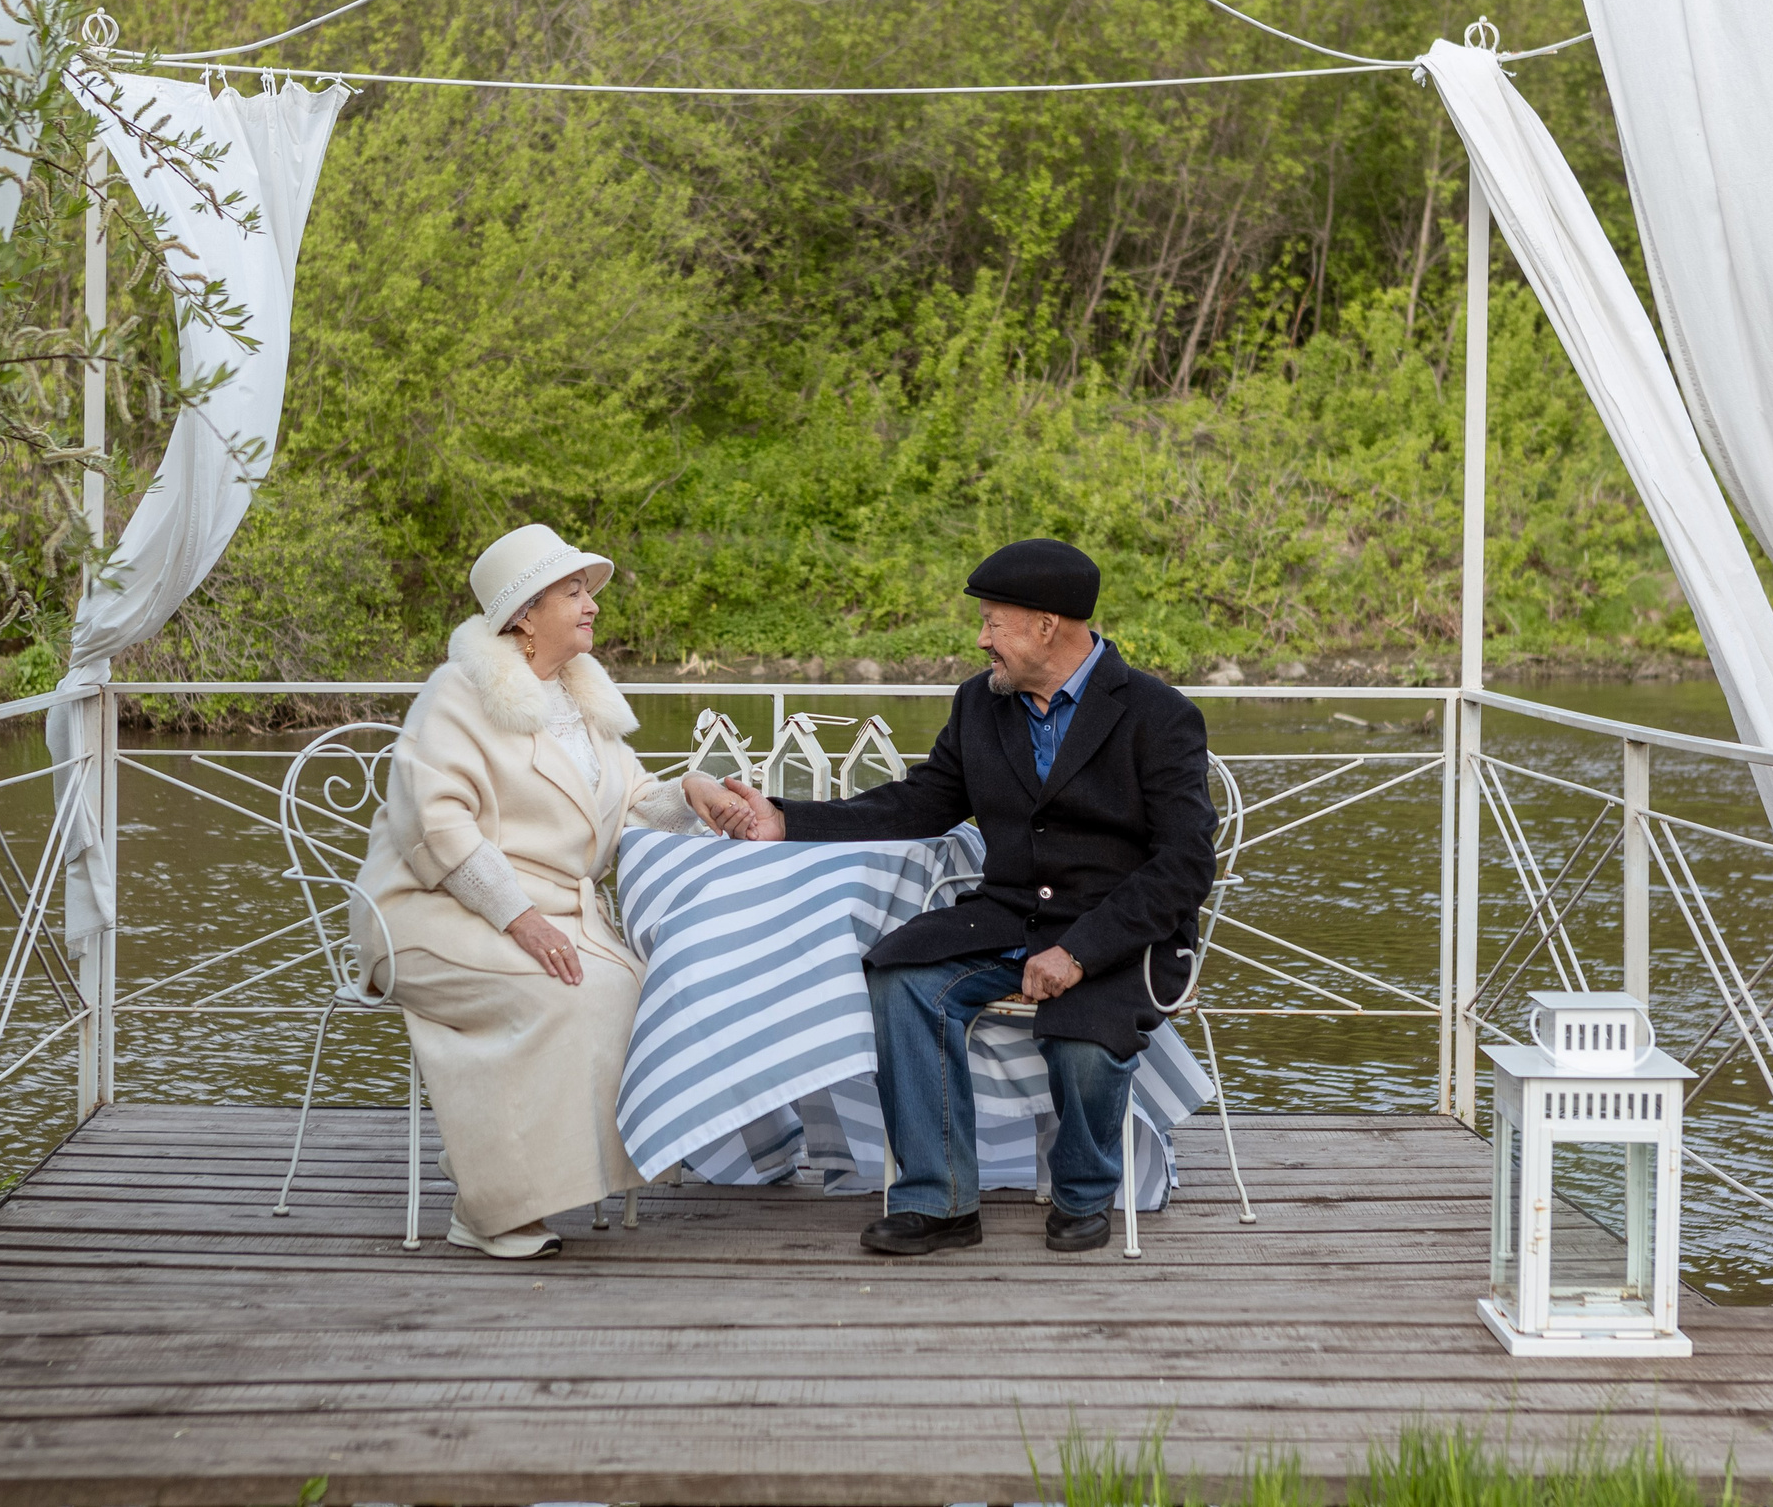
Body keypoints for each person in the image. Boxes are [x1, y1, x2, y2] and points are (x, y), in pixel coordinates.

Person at [709, 539, 1217, 1255]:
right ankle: (939, 1201)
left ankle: (1083, 1191)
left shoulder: (1158, 715)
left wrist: (1080, 951)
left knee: (1080, 1042)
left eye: (993, 623)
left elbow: (1186, 864)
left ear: (1047, 625)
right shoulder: (982, 703)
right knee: (901, 975)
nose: (981, 641)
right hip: (1008, 917)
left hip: (1118, 934)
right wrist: (787, 820)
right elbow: (922, 804)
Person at [351, 524, 752, 1259]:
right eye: (573, 591)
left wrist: (693, 791)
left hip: (555, 912)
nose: (592, 604)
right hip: (427, 909)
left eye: (587, 591)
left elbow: (632, 804)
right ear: (525, 615)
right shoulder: (460, 693)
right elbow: (436, 826)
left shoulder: (579, 699)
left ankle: (493, 1162)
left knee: (637, 988)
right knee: (562, 994)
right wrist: (523, 919)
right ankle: (490, 1209)